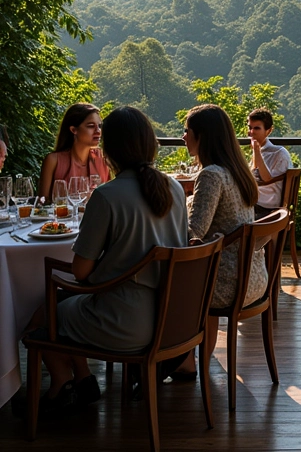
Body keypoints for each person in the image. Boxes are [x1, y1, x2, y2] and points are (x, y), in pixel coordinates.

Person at [34, 106, 188, 411]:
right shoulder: (174, 187)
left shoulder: (106, 196)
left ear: (110, 149)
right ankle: (80, 379)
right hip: (173, 320)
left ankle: (62, 383)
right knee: (63, 304)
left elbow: (81, 271)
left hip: (125, 324)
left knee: (42, 312)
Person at [176, 104, 268, 378]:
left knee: (162, 283)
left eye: (186, 131)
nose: (183, 137)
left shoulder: (211, 175)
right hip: (252, 278)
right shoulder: (237, 171)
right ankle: (192, 361)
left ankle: (180, 360)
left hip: (226, 283)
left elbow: (194, 233)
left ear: (201, 136)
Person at [38, 103, 110, 198]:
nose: (98, 131)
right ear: (73, 130)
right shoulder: (53, 160)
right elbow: (43, 202)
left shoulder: (102, 158)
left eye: (100, 126)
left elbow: (110, 197)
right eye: (91, 126)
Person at [247, 107, 292, 217]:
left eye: (256, 128)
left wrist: (256, 151)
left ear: (268, 131)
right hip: (256, 202)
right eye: (249, 128)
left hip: (267, 206)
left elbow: (267, 179)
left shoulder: (279, 153)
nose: (251, 133)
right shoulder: (260, 151)